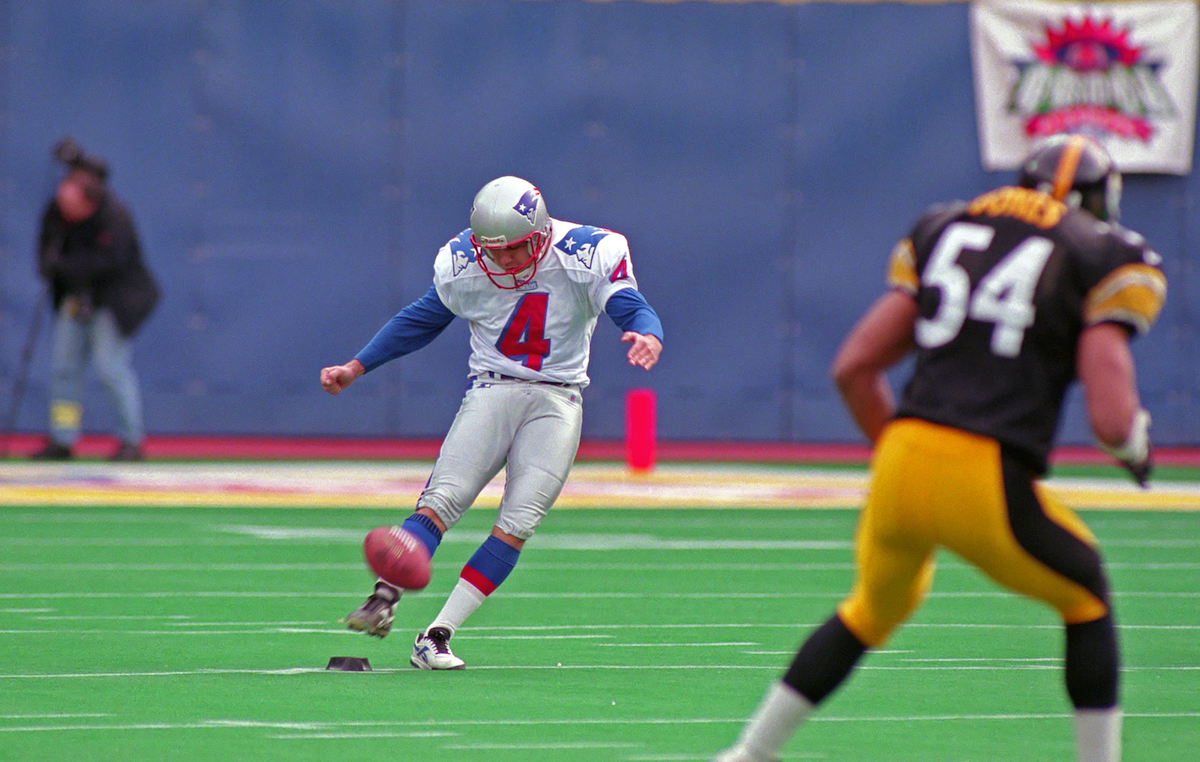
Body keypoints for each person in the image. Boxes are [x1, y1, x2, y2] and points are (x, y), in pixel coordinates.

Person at [713, 134, 1166, 762]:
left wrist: (901, 452)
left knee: (870, 609)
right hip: (985, 472)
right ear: (1098, 200)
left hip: (901, 459)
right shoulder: (1101, 253)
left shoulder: (948, 225)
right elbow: (1111, 422)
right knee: (1085, 595)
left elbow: (854, 367)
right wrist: (1136, 445)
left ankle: (747, 755)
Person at [321, 175, 663, 669]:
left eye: (515, 249)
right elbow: (422, 318)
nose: (503, 261)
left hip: (558, 399)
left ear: (541, 232)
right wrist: (356, 366)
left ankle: (436, 635)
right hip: (493, 388)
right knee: (444, 499)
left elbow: (629, 304)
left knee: (519, 521)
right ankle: (382, 598)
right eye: (493, 251)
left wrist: (644, 333)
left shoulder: (588, 251)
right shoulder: (464, 261)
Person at [30, 140, 159, 462]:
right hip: (73, 301)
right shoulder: (55, 214)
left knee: (111, 369)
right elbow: (47, 254)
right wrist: (53, 268)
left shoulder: (115, 216)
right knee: (63, 370)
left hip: (111, 304)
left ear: (89, 202)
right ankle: (63, 438)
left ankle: (131, 439)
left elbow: (110, 262)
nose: (65, 206)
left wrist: (66, 267)